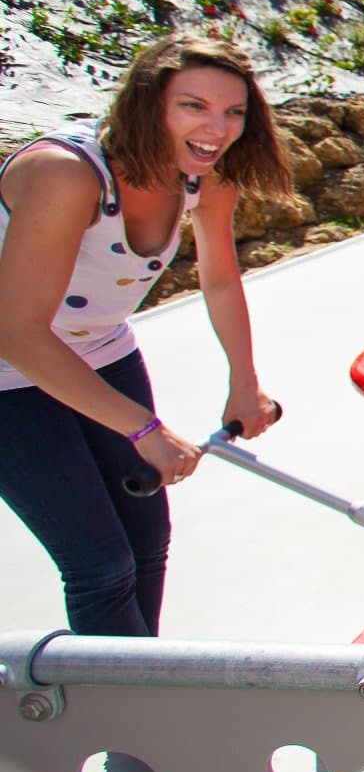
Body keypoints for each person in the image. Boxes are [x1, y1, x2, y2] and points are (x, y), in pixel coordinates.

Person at [0, 33, 286, 636]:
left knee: (147, 540)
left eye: (234, 111)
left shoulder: (205, 178)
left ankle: (138, 682)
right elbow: (18, 334)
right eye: (194, 106)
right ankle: (122, 717)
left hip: (100, 348)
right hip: (8, 370)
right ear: (146, 104)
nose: (219, 127)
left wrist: (245, 384)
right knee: (99, 563)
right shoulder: (67, 174)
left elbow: (220, 282)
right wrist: (144, 429)